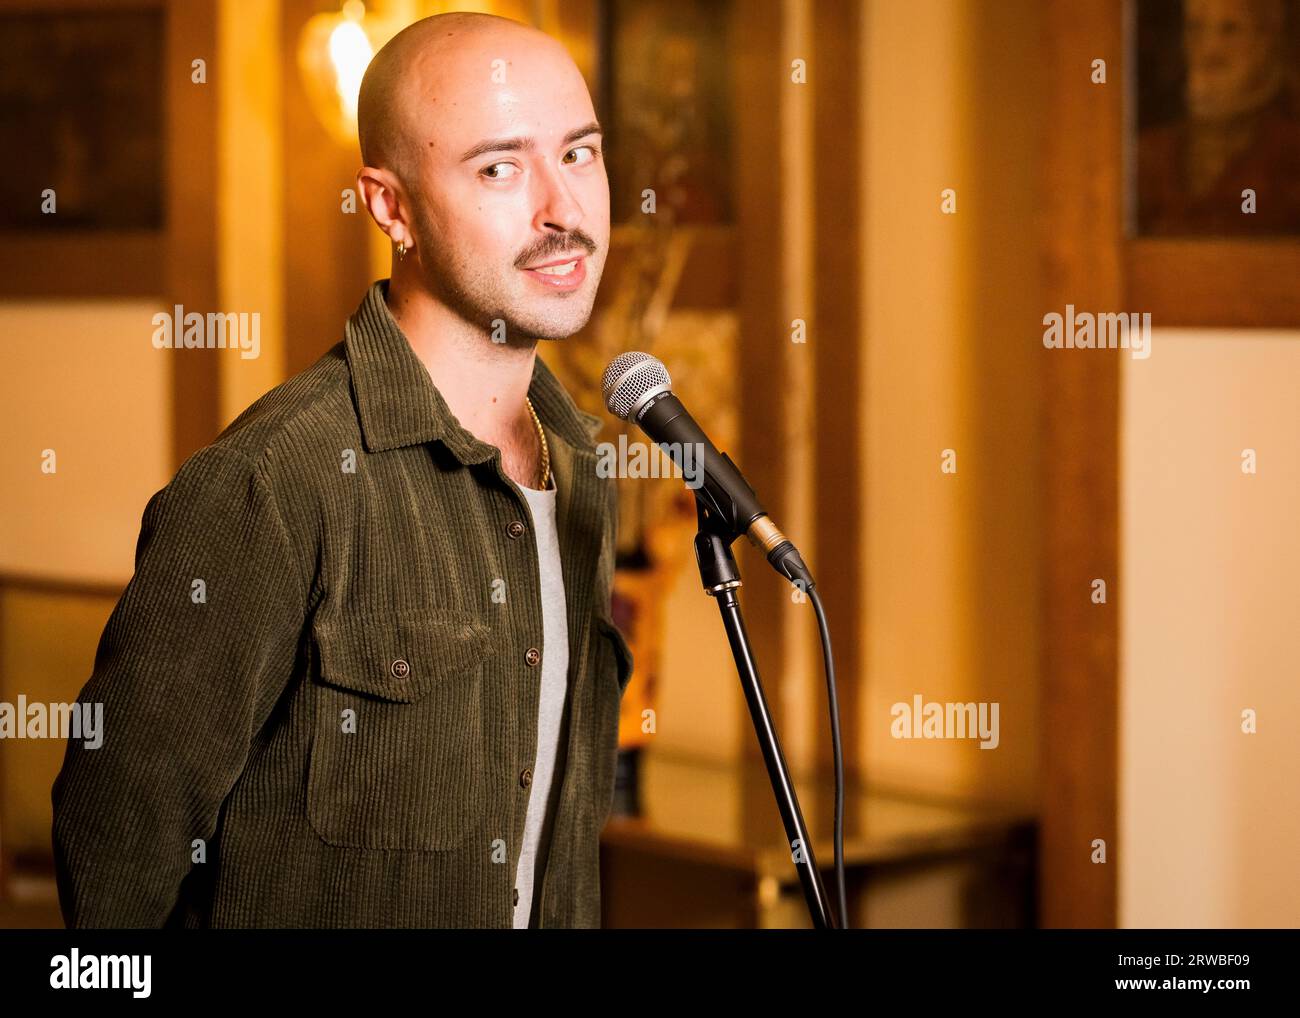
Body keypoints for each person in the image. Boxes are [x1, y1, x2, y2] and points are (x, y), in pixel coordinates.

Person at [51, 11, 632, 929]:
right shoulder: (274, 484)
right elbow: (117, 853)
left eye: (581, 153)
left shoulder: (585, 469)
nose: (563, 211)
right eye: (499, 168)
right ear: (390, 208)